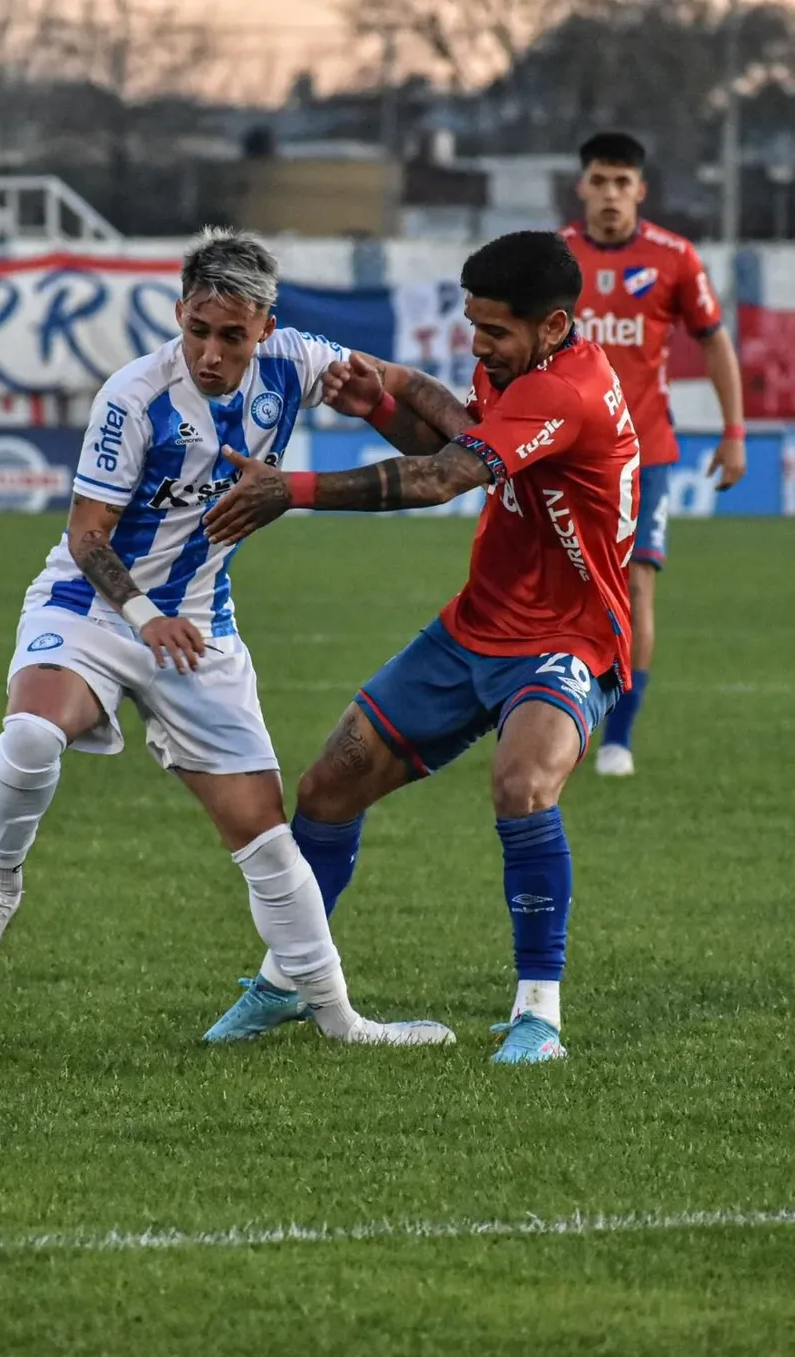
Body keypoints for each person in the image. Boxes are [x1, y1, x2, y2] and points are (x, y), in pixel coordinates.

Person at [0, 226, 453, 1049]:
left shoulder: (298, 361)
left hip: (201, 626)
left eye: (233, 337)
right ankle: (0, 883)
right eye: (198, 330)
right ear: (180, 313)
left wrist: (464, 436)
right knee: (33, 733)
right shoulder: (133, 397)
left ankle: (339, 1019)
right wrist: (145, 617)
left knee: (264, 834)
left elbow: (403, 401)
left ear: (265, 328)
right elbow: (87, 537)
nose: (212, 353)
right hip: (96, 609)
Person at [203, 230, 639, 1063]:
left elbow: (444, 478)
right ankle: (290, 978)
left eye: (495, 330)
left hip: (569, 638)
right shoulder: (521, 372)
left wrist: (287, 491)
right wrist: (381, 395)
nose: (479, 343)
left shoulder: (570, 392)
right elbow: (467, 436)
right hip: (475, 624)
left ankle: (538, 1015)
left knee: (521, 785)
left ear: (553, 327)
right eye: (471, 324)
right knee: (328, 787)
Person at [564, 131, 746, 776]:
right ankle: (552, 715)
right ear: (582, 185)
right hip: (566, 457)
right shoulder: (555, 260)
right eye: (599, 180)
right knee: (562, 589)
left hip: (646, 454)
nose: (610, 193)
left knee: (637, 584)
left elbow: (715, 342)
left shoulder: (675, 258)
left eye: (622, 182)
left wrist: (733, 432)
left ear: (640, 189)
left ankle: (620, 735)